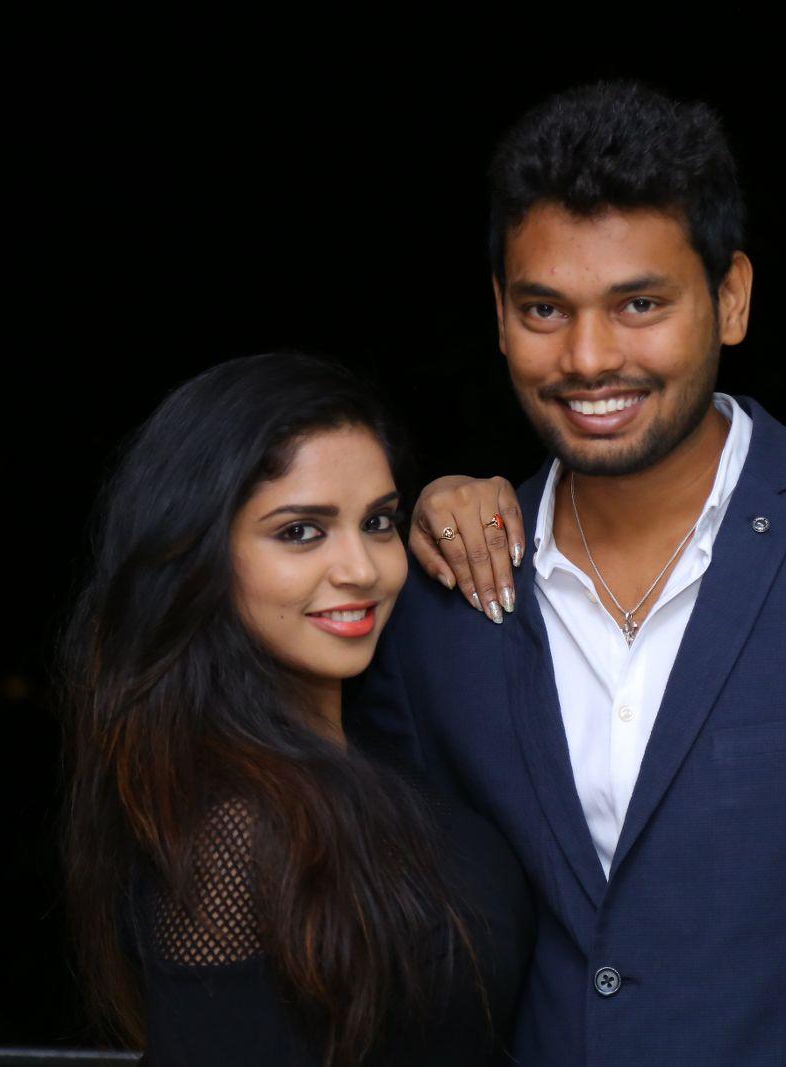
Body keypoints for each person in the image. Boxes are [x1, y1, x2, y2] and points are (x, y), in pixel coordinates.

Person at [363, 81, 786, 1064]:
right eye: (545, 308)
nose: (588, 356)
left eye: (639, 303)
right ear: (499, 314)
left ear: (730, 297)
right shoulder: (441, 606)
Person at [58, 352, 533, 1066]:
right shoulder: (232, 835)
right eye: (300, 531)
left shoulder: (370, 741)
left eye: (378, 522)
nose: (361, 569)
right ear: (198, 555)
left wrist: (457, 502)